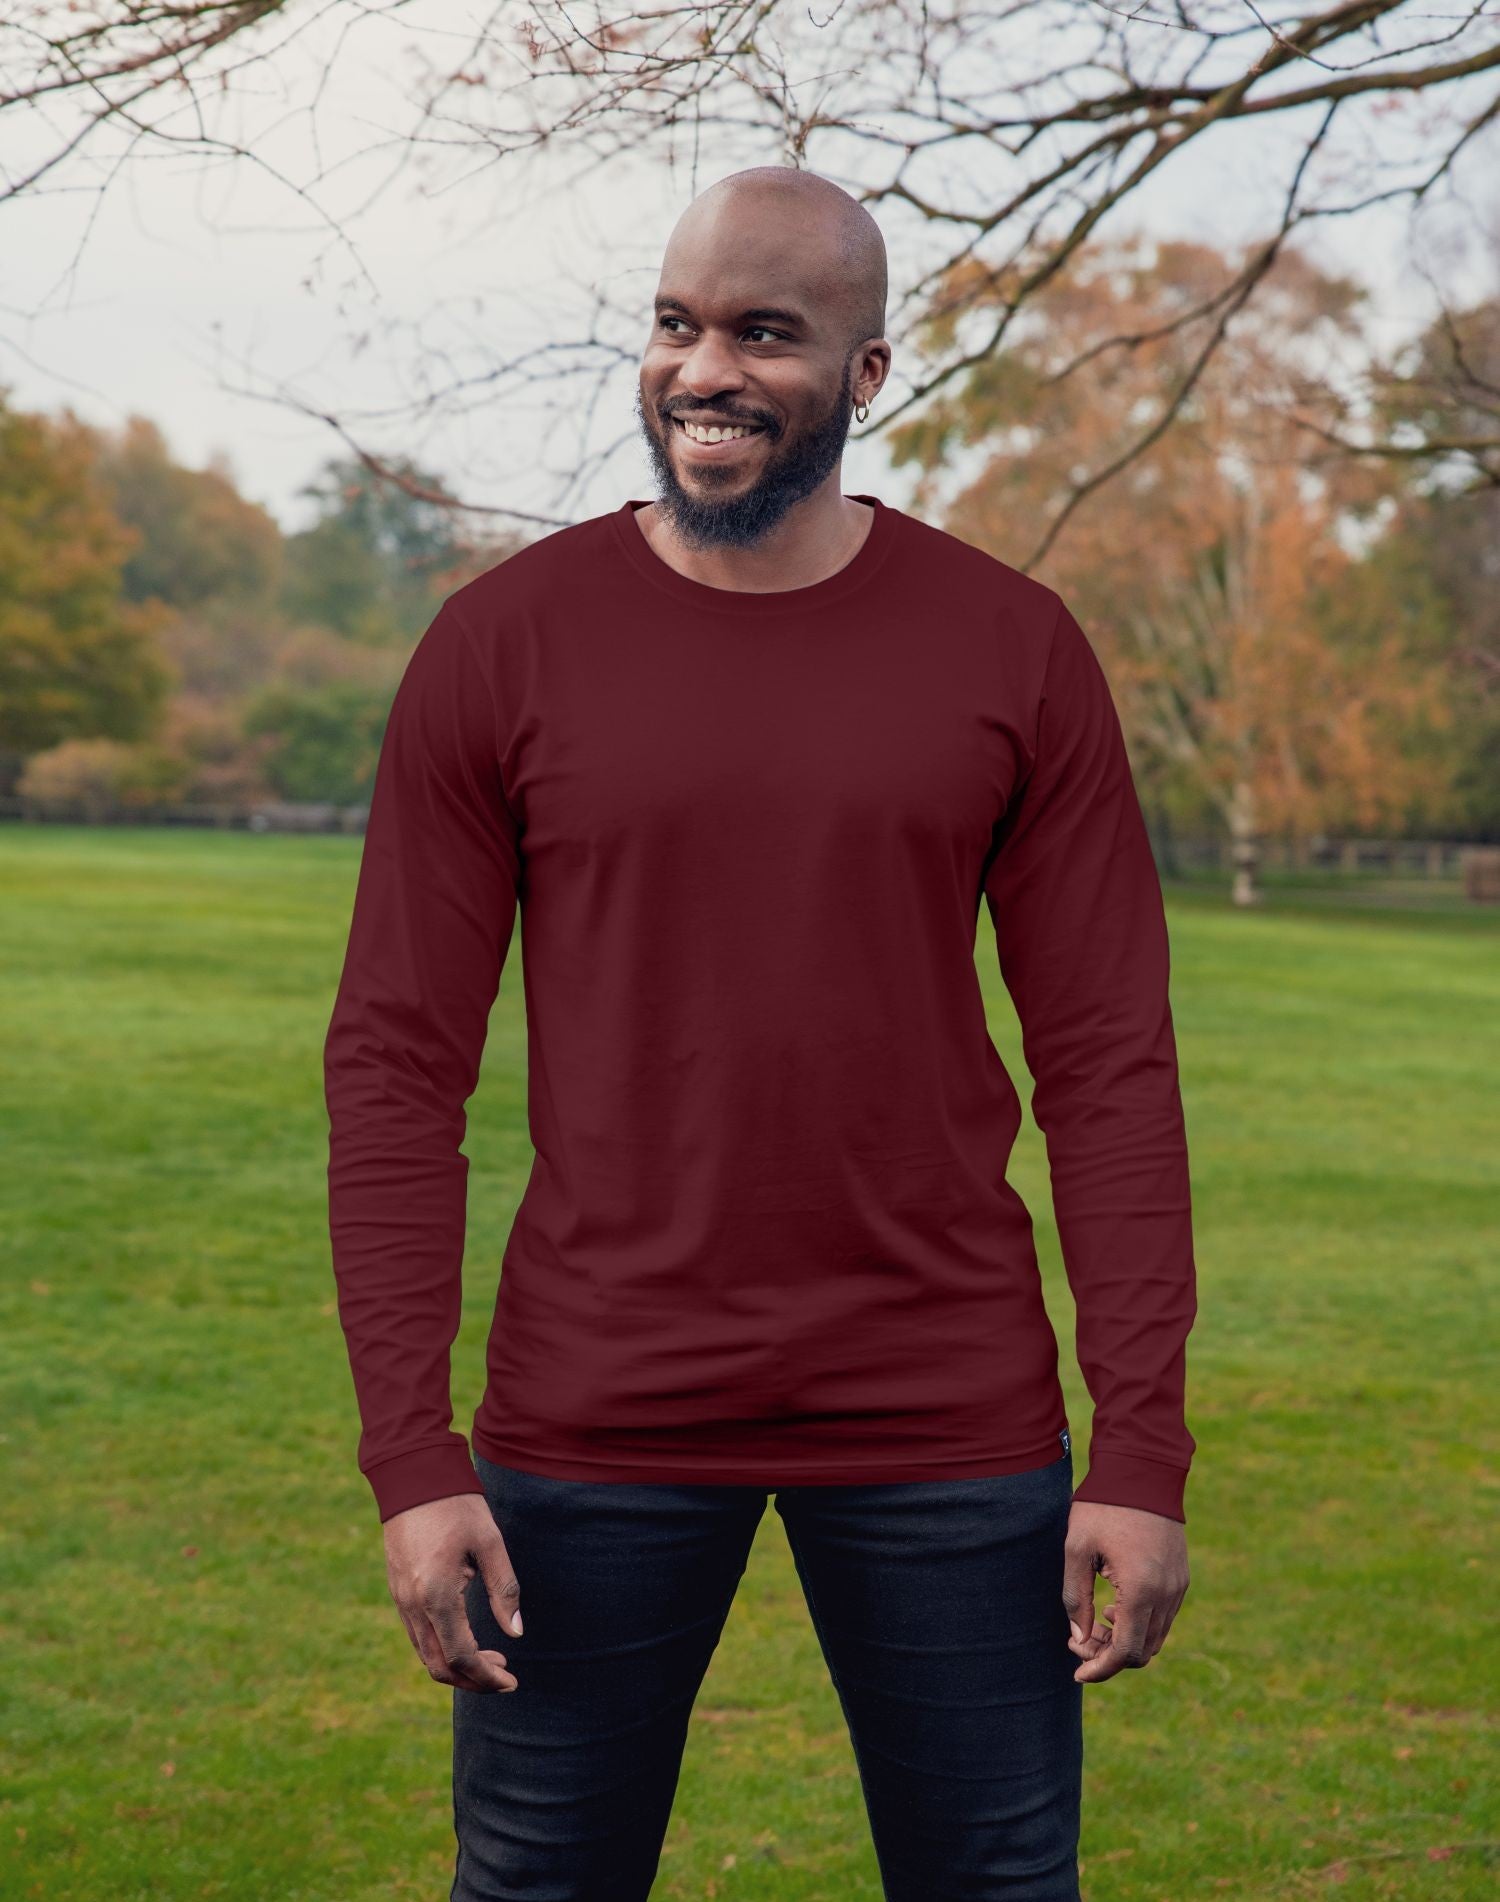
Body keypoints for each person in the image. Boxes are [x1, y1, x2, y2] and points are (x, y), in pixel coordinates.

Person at [323, 164, 1197, 1902]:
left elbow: (1108, 1062)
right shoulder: (502, 647)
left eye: (764, 332)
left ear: (866, 373)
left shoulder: (1013, 650)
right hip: (598, 1406)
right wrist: (411, 1457)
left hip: (944, 1407)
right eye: (676, 323)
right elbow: (397, 1065)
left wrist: (1144, 1446)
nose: (703, 369)